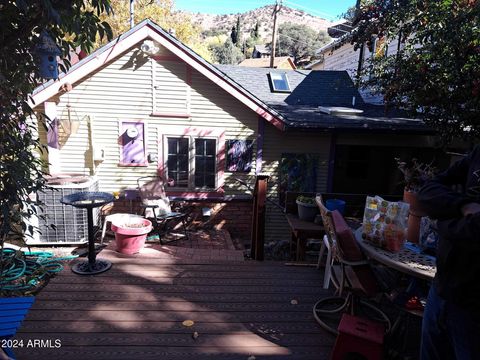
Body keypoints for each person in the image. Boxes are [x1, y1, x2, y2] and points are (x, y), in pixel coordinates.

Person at [418, 145, 480, 360]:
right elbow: (427, 190)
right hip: (441, 288)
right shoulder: (477, 154)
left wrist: (440, 222)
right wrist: (463, 206)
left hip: (473, 305)